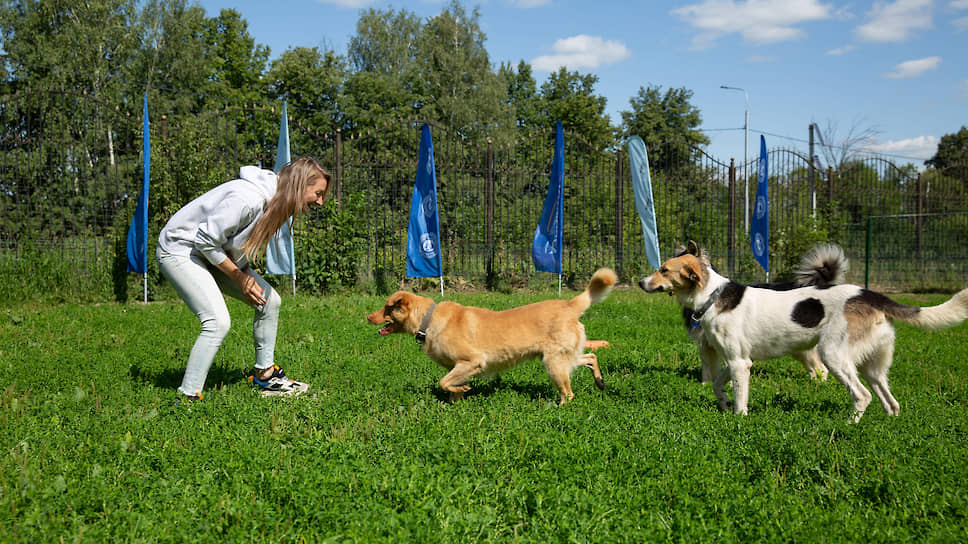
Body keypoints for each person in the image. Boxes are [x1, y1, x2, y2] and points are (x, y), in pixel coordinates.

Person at [156, 157, 332, 400]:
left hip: (208, 252)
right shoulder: (247, 199)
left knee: (269, 300)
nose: (321, 202)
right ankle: (188, 396)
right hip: (180, 250)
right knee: (217, 322)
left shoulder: (273, 203)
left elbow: (230, 245)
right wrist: (240, 278)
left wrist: (246, 274)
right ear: (300, 185)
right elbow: (206, 240)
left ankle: (266, 376)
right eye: (318, 193)